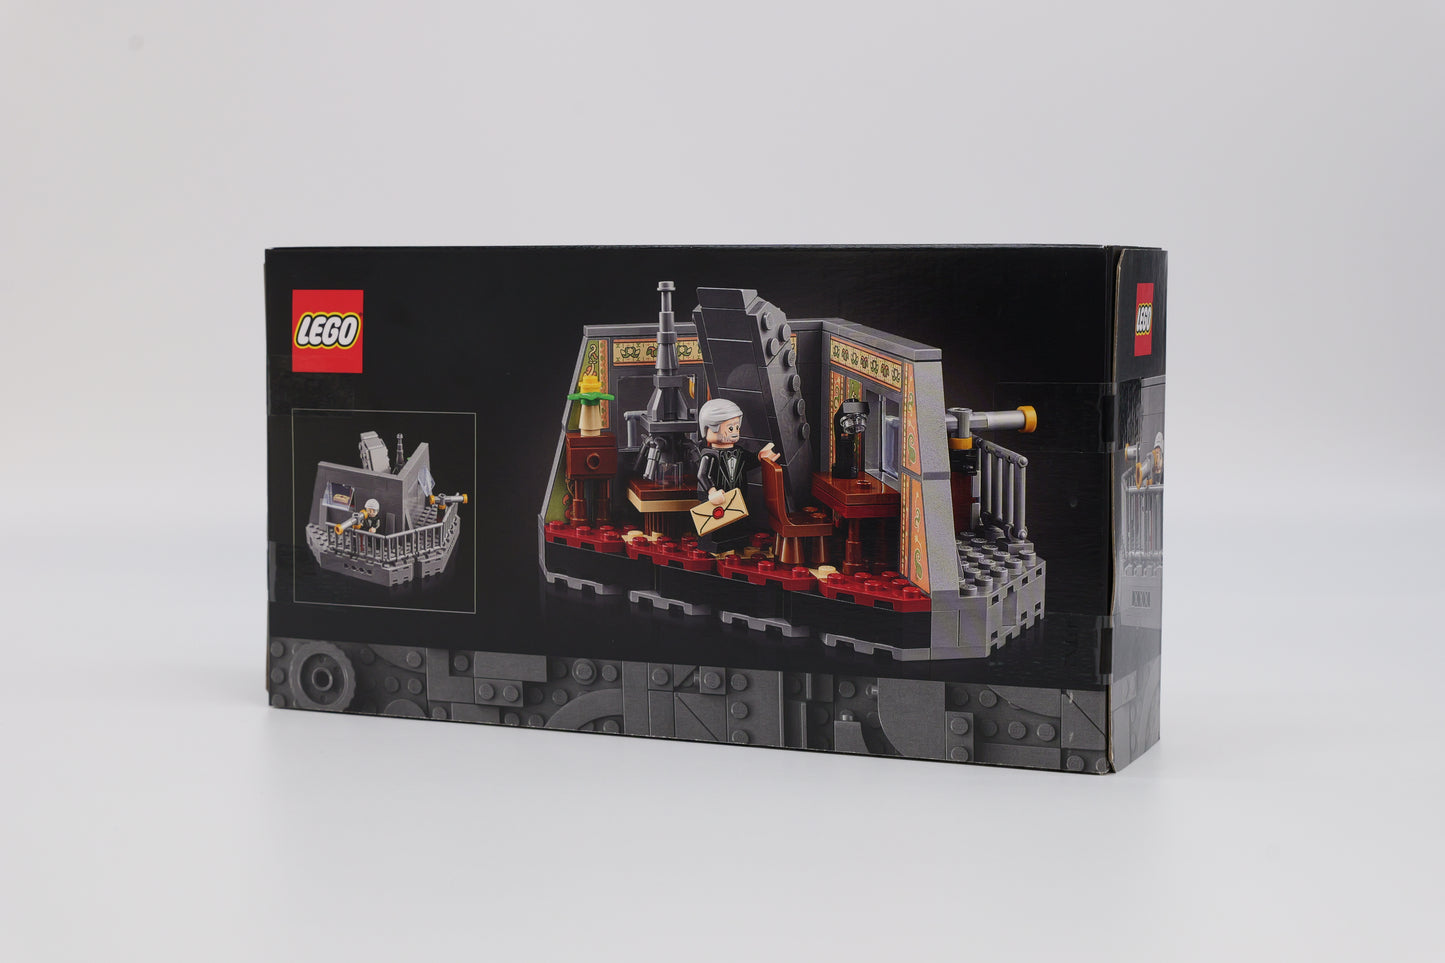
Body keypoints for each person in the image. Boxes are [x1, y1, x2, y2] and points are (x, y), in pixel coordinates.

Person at [694, 398, 779, 552]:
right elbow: (703, 475)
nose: (735, 432)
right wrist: (711, 492)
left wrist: (760, 456)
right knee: (717, 525)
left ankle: (736, 541)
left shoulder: (738, 452)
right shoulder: (709, 455)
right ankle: (715, 544)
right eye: (730, 428)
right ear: (710, 428)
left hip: (737, 498)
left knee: (737, 523)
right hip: (717, 500)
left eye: (737, 427)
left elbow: (748, 462)